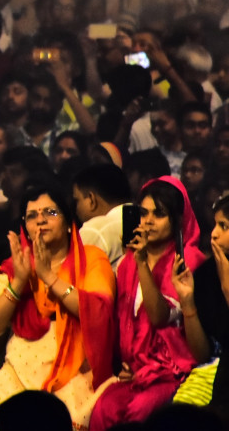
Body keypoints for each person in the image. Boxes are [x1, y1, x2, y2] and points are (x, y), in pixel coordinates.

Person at [0, 178, 116, 429]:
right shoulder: (15, 265)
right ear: (25, 228)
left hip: (77, 374)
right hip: (18, 372)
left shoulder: (92, 259)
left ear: (68, 224)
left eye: (50, 212)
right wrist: (19, 282)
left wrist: (48, 276)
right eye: (32, 216)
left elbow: (98, 314)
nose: (40, 220)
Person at [89, 176, 205, 429]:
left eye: (159, 214)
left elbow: (158, 317)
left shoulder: (189, 261)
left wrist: (142, 263)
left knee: (139, 411)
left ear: (177, 219)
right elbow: (122, 321)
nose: (148, 221)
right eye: (144, 213)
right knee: (103, 408)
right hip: (137, 371)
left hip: (175, 371)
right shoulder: (127, 263)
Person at [172, 194, 229, 410]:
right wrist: (187, 302)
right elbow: (202, 354)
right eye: (215, 224)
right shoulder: (206, 274)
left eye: (224, 226)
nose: (214, 234)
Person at [71, 163, 132, 268]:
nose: (76, 209)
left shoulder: (95, 230)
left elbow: (76, 277)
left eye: (77, 200)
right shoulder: (148, 219)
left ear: (91, 199)